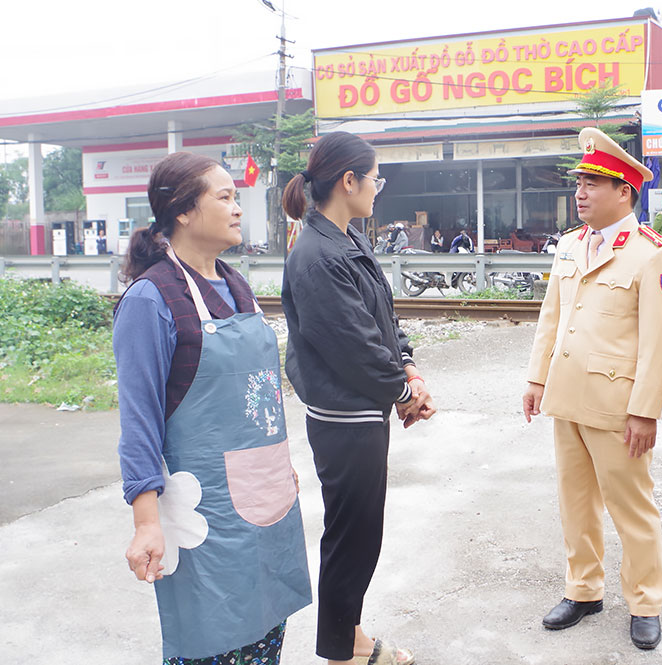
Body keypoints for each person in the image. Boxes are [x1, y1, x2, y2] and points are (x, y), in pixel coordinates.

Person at [114, 151, 311, 664]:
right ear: (183, 211)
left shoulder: (236, 285)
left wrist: (280, 462)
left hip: (267, 499)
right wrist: (146, 522)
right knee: (213, 643)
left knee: (265, 637)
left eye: (236, 197)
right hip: (206, 513)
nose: (238, 208)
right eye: (224, 197)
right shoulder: (150, 301)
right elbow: (139, 424)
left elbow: (260, 395)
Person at [522, 127, 662, 651]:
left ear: (624, 192)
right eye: (579, 182)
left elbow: (659, 343)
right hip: (567, 396)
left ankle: (645, 602)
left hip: (617, 407)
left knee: (632, 507)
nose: (581, 192)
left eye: (593, 183)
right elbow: (552, 318)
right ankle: (583, 589)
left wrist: (645, 411)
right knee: (576, 502)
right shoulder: (571, 245)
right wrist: (536, 379)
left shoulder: (653, 253)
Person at [281, 131, 436, 665]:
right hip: (343, 418)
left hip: (363, 410)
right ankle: (343, 648)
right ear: (349, 181)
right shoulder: (317, 255)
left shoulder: (347, 240)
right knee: (351, 536)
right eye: (375, 179)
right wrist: (403, 391)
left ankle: (348, 637)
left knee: (360, 532)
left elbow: (382, 320)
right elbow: (355, 346)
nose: (377, 189)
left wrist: (408, 368)